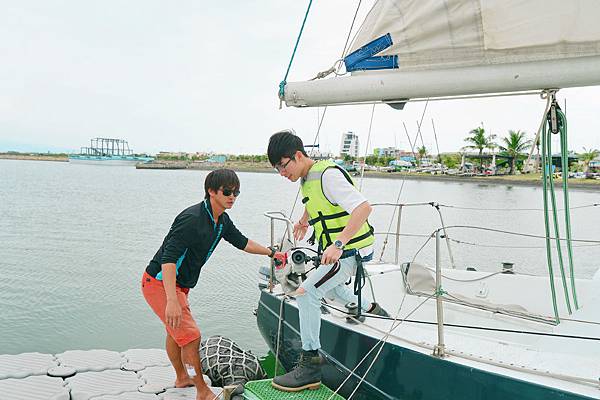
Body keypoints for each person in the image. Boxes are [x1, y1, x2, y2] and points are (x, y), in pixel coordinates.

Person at [267, 130, 390, 392]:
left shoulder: (328, 175)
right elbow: (317, 202)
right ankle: (370, 308)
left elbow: (363, 207)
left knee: (305, 292)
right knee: (331, 287)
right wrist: (303, 221)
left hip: (349, 251)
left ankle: (310, 363)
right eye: (277, 168)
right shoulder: (308, 177)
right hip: (340, 250)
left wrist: (338, 243)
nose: (281, 173)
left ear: (298, 155)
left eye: (282, 165)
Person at [141, 169, 278, 400]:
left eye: (236, 192)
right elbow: (168, 259)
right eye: (227, 192)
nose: (232, 196)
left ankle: (182, 377)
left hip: (179, 286)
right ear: (211, 191)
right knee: (192, 337)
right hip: (159, 283)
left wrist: (271, 253)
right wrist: (172, 301)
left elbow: (241, 242)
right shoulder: (192, 219)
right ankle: (202, 391)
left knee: (177, 333)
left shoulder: (221, 220)